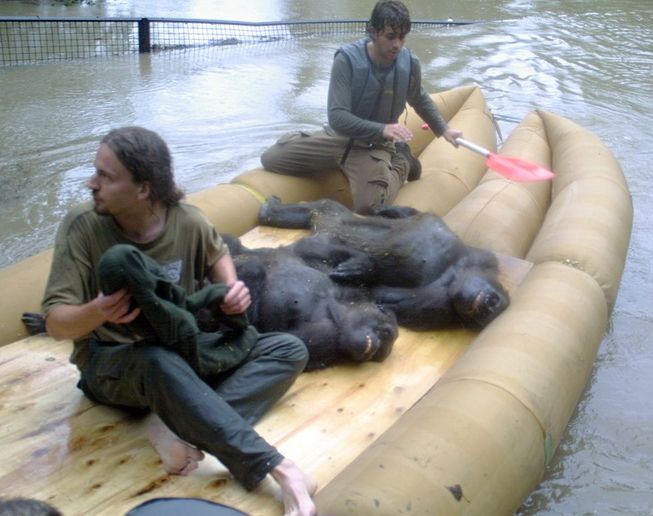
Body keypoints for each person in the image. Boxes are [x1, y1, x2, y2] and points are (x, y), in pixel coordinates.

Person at [41, 126, 317, 516]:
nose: (92, 184)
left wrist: (232, 289)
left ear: (143, 189)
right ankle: (279, 468)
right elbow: (55, 323)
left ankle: (173, 424)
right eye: (96, 172)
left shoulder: (187, 221)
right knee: (156, 359)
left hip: (183, 350)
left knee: (288, 349)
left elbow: (217, 253)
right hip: (112, 363)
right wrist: (96, 311)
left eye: (106, 176)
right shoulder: (82, 225)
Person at [261, 0, 464, 215]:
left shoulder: (410, 64)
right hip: (337, 137)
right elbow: (337, 117)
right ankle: (320, 153)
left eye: (402, 37)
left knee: (370, 207)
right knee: (271, 159)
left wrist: (444, 129)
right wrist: (382, 128)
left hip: (373, 146)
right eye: (391, 36)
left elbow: (419, 98)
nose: (397, 44)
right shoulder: (346, 60)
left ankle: (402, 160)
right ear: (374, 32)